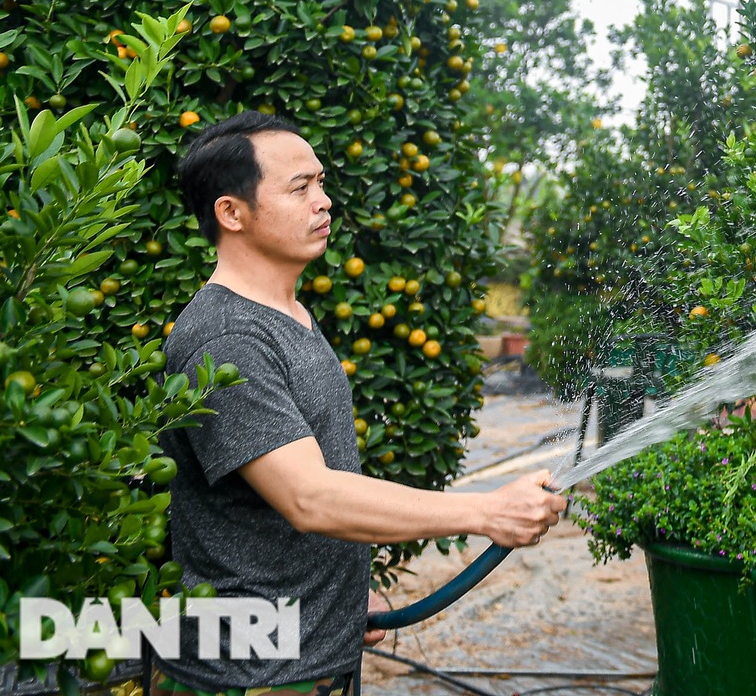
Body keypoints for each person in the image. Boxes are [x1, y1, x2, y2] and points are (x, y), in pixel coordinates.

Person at [155, 112, 566, 696]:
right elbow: (308, 497)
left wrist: (342, 597)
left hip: (313, 652)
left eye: (320, 183)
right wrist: (486, 512)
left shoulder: (288, 314)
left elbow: (298, 493)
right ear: (232, 213)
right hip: (249, 674)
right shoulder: (229, 339)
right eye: (300, 188)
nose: (324, 203)